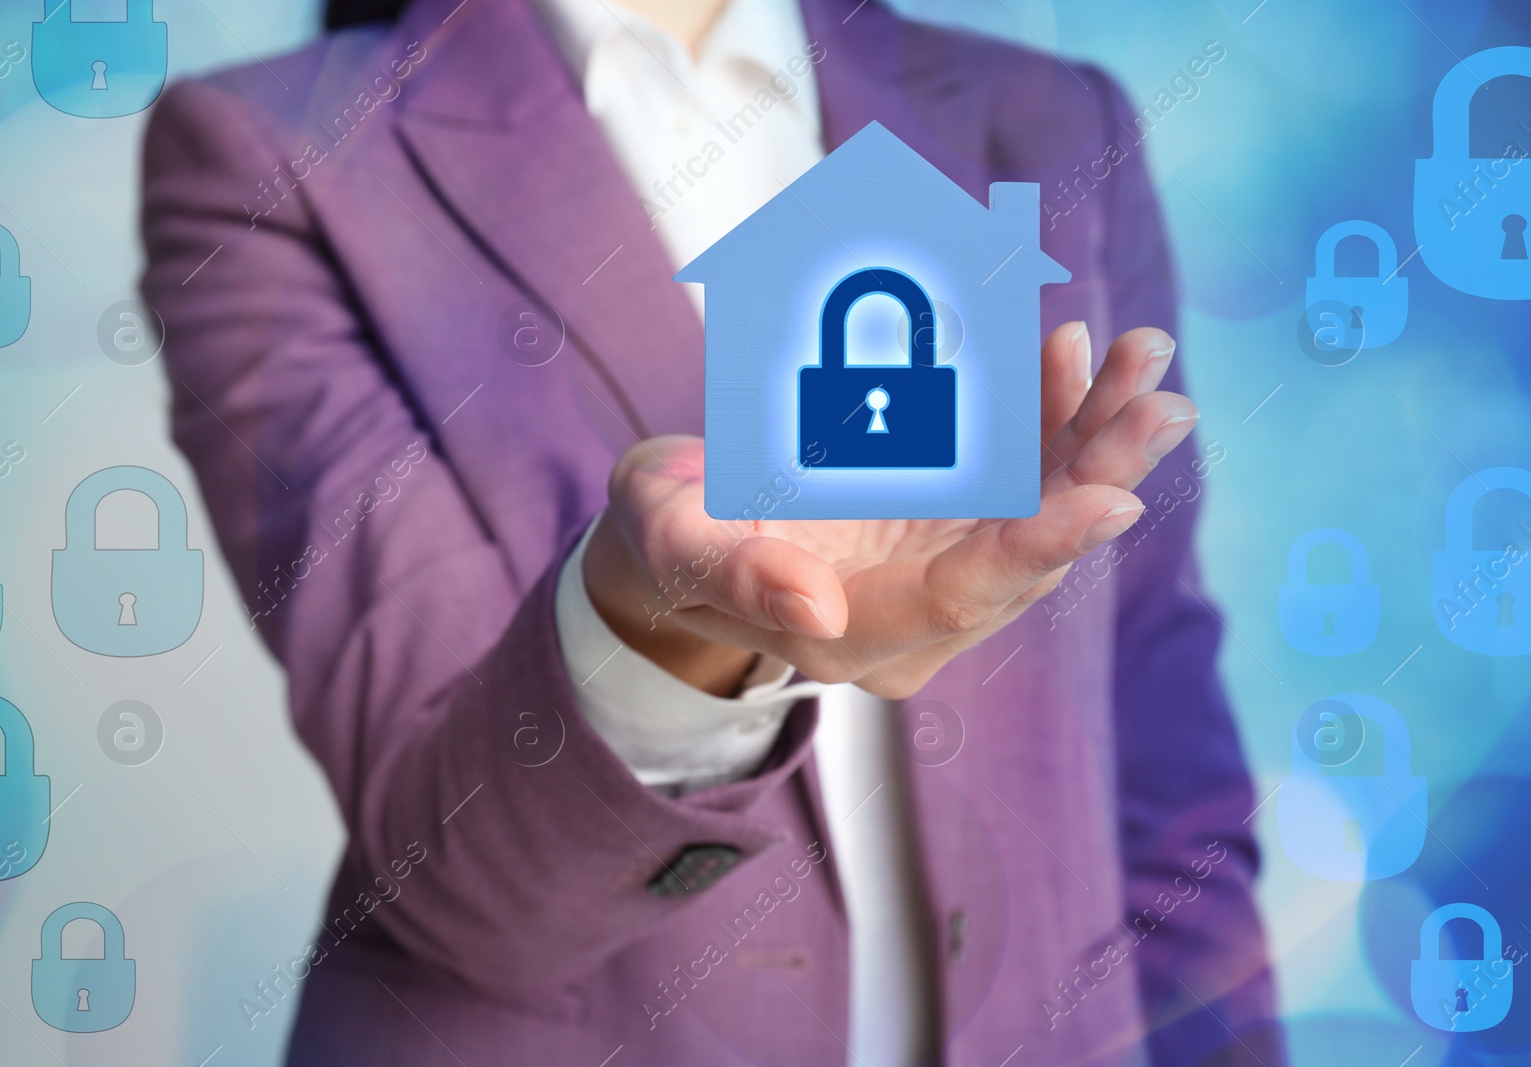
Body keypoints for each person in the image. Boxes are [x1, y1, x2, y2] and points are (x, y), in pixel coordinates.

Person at [140, 0, 1283, 1063]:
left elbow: (1165, 761)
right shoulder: (276, 152)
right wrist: (668, 629)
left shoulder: (1050, 118)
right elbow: (462, 878)